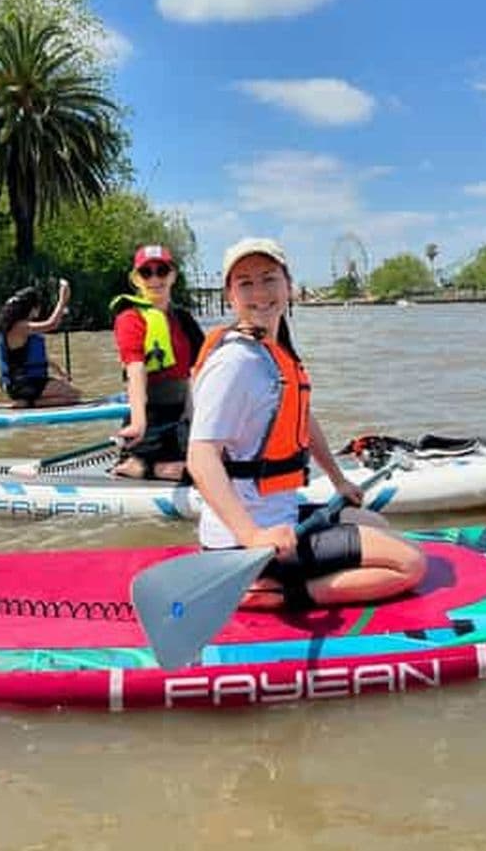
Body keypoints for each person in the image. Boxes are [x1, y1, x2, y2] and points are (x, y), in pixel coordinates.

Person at [188, 237, 427, 610]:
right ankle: (279, 594)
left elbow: (303, 417)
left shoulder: (273, 350)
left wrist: (338, 479)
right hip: (244, 545)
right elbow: (201, 458)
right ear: (230, 295)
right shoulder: (235, 362)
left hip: (279, 516)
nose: (260, 293)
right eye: (245, 283)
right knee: (410, 564)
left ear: (289, 285)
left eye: (269, 279)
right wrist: (252, 536)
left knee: (373, 523)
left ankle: (276, 578)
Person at [111, 244, 204, 480]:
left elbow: (199, 369)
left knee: (221, 462)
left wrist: (194, 417)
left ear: (172, 275)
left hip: (181, 414)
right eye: (146, 272)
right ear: (136, 279)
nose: (155, 279)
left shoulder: (183, 319)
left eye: (161, 271)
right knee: (195, 472)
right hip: (150, 419)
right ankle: (139, 466)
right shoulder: (130, 318)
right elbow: (135, 370)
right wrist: (139, 423)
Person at [0, 280, 82, 407]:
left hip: (26, 383)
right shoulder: (20, 327)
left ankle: (28, 401)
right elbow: (51, 324)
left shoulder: (21, 327)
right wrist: (62, 300)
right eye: (38, 307)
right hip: (23, 385)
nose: (39, 311)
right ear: (31, 308)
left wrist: (60, 371)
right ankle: (27, 403)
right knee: (74, 396)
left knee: (72, 393)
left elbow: (39, 356)